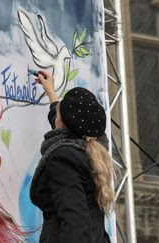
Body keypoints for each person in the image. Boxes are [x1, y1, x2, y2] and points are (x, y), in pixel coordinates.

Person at [30, 70, 113, 243]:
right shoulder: (91, 151)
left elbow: (75, 224)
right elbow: (66, 124)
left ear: (62, 123)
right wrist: (51, 93)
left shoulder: (64, 159)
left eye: (59, 114)